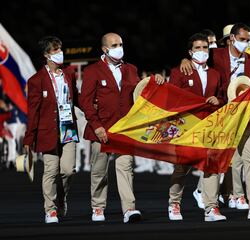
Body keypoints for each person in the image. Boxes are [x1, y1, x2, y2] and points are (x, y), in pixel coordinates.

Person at [80, 32, 164, 223]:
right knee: (99, 170)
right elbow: (85, 101)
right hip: (101, 128)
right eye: (114, 45)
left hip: (125, 129)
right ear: (104, 49)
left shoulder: (131, 69)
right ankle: (98, 207)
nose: (119, 48)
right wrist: (96, 126)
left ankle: (129, 209)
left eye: (121, 44)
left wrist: (155, 79)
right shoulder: (92, 71)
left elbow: (140, 92)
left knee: (125, 167)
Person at [181, 23, 250, 210]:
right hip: (221, 113)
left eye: (248, 40)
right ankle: (209, 195)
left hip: (245, 114)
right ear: (232, 39)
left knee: (248, 159)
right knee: (222, 159)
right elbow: (199, 58)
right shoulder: (217, 55)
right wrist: (184, 59)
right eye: (242, 40)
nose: (246, 43)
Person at [168, 32, 226, 222]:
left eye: (205, 48)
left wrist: (218, 99)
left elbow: (223, 96)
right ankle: (174, 203)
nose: (202, 51)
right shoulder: (179, 72)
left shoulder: (215, 74)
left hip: (209, 126)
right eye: (198, 48)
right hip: (186, 127)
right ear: (190, 51)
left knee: (211, 166)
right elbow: (171, 99)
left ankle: (211, 208)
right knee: (181, 168)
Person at [23, 36, 78, 223]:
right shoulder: (36, 80)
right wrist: (28, 140)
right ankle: (50, 209)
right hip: (47, 131)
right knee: (51, 170)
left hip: (68, 126)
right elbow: (33, 112)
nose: (60, 53)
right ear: (46, 55)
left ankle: (61, 197)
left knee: (69, 170)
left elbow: (77, 99)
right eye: (56, 50)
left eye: (60, 49)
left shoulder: (69, 73)